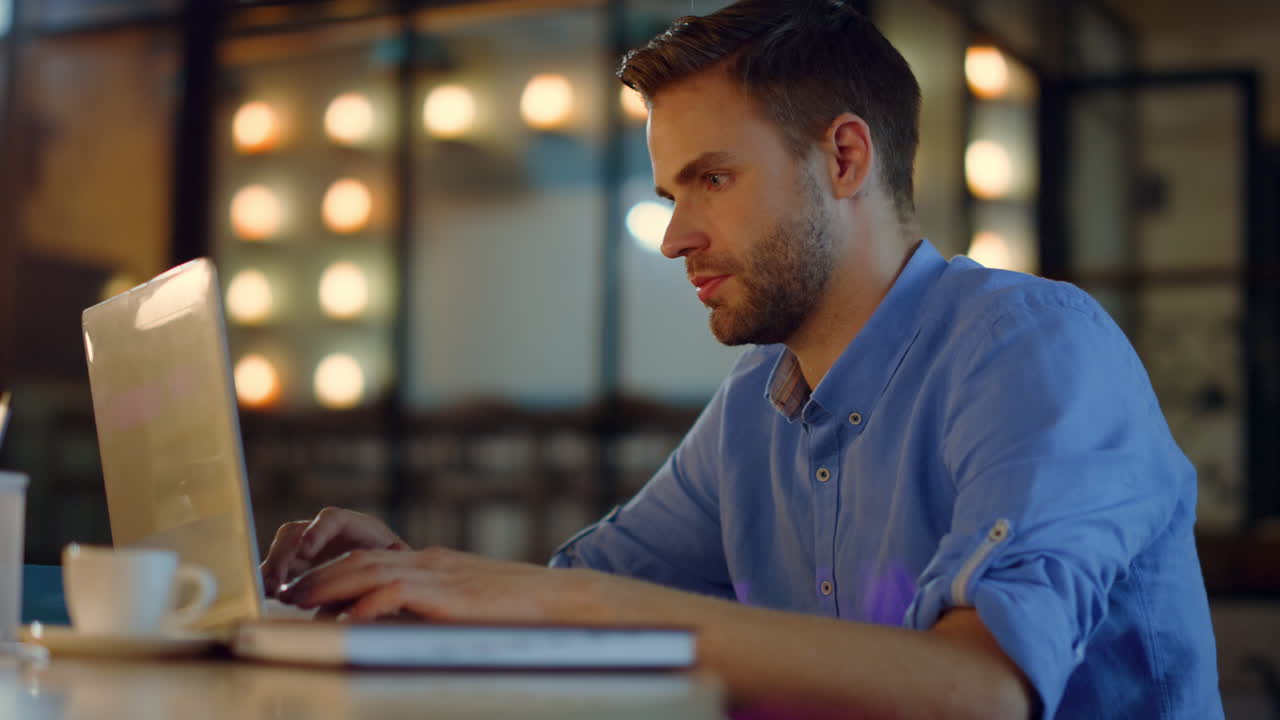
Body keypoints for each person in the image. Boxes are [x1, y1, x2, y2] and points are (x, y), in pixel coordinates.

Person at [262, 1, 1223, 717]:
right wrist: (412, 584)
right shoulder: (756, 405)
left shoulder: (1032, 346)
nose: (675, 237)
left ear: (844, 159)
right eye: (671, 194)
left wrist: (556, 598)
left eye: (712, 179)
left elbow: (980, 691)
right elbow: (577, 603)